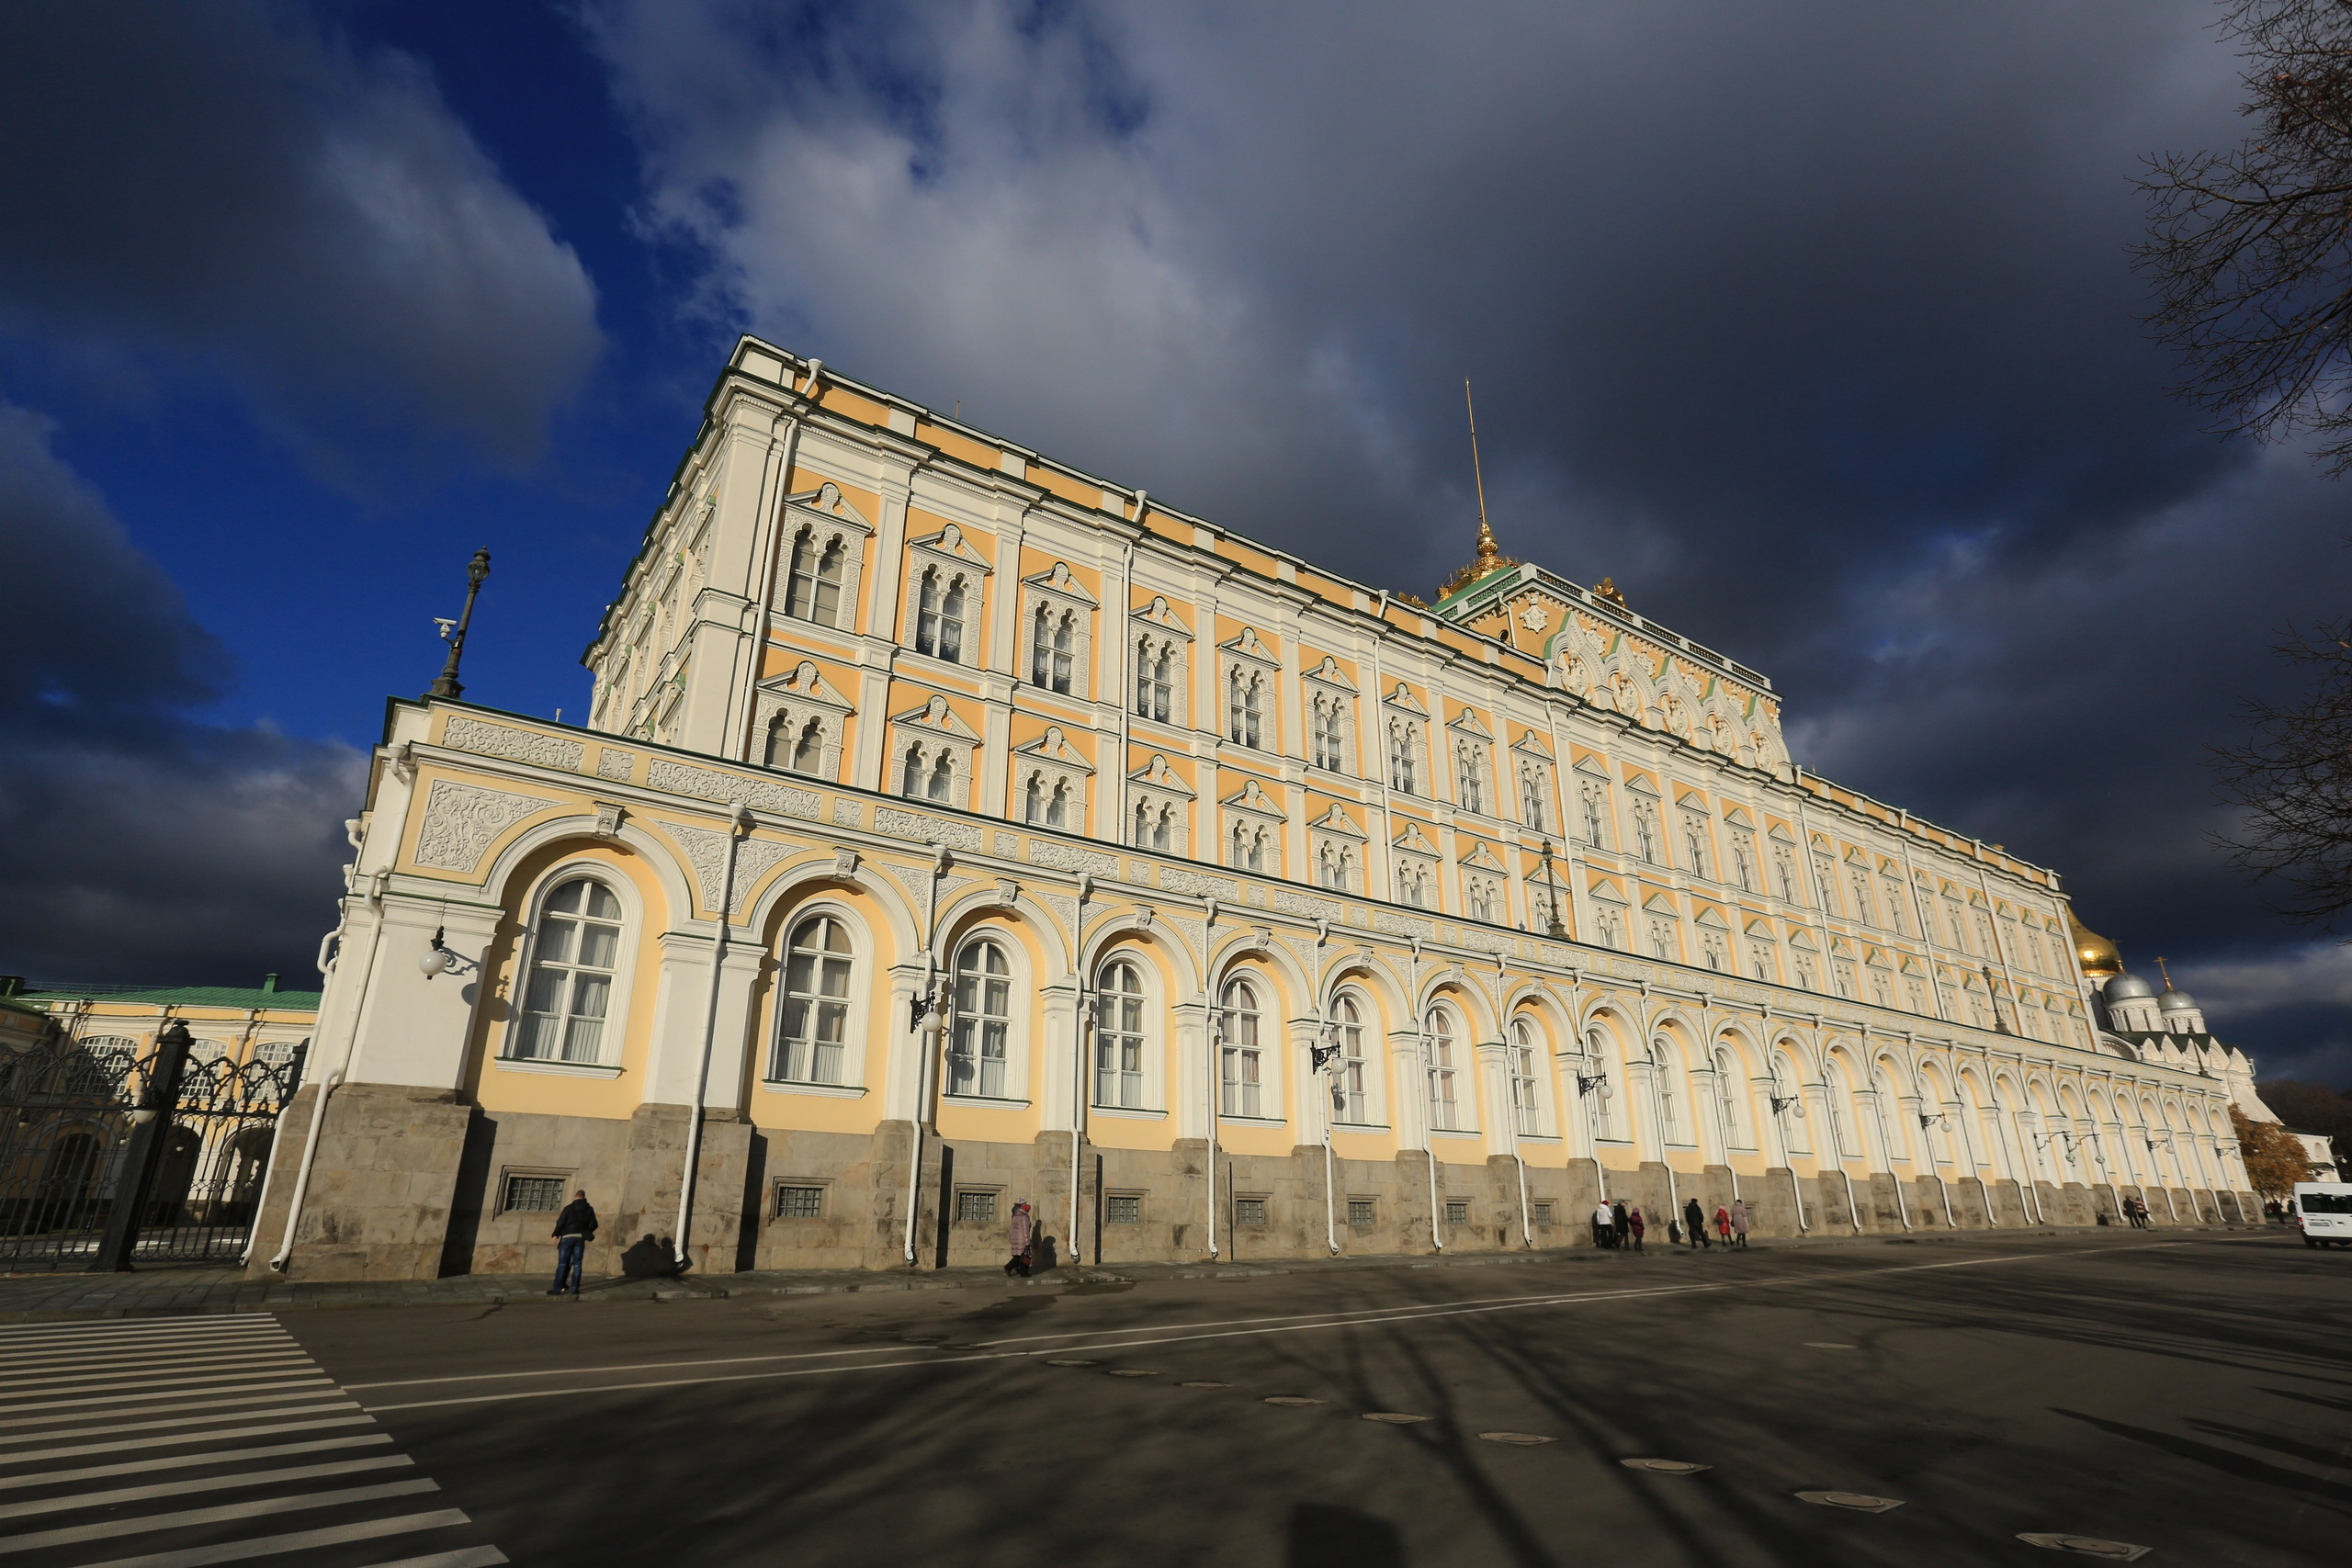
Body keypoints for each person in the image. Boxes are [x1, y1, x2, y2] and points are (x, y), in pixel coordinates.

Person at [548, 1189, 596, 1297]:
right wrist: (586, 1231)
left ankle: (557, 1288)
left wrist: (555, 1234)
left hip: (567, 1237)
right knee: (577, 1264)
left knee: (562, 1263)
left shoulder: (569, 1208)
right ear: (584, 1197)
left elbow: (561, 1222)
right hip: (580, 1239)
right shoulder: (589, 1209)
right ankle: (575, 1288)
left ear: (575, 1197)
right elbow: (594, 1224)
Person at [1005, 1201, 1035, 1278]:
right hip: (1022, 1240)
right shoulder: (1024, 1217)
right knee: (1024, 1256)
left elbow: (1011, 1228)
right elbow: (1026, 1230)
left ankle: (1020, 1271)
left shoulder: (1015, 1216)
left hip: (1016, 1238)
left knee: (1018, 1256)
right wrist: (1027, 1242)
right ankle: (1010, 1268)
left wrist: (1011, 1238)